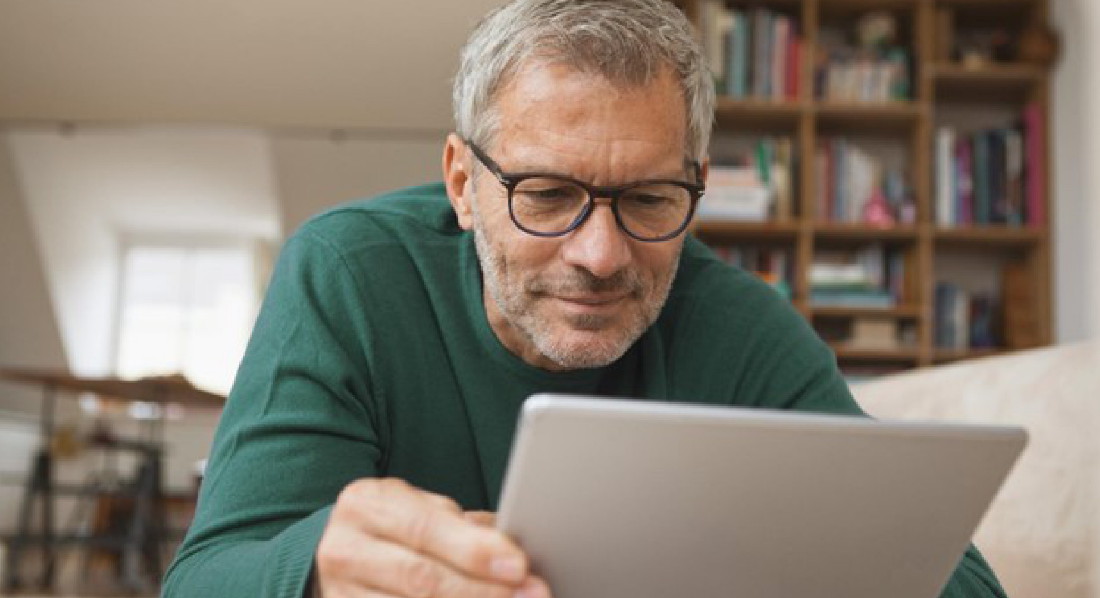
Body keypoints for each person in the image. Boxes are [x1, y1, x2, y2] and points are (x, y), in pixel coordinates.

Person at [162, 1, 1010, 597]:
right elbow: (205, 580)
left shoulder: (740, 326)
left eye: (648, 201)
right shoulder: (347, 273)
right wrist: (318, 570)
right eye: (545, 193)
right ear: (462, 183)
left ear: (698, 184)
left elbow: (958, 579)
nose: (601, 256)